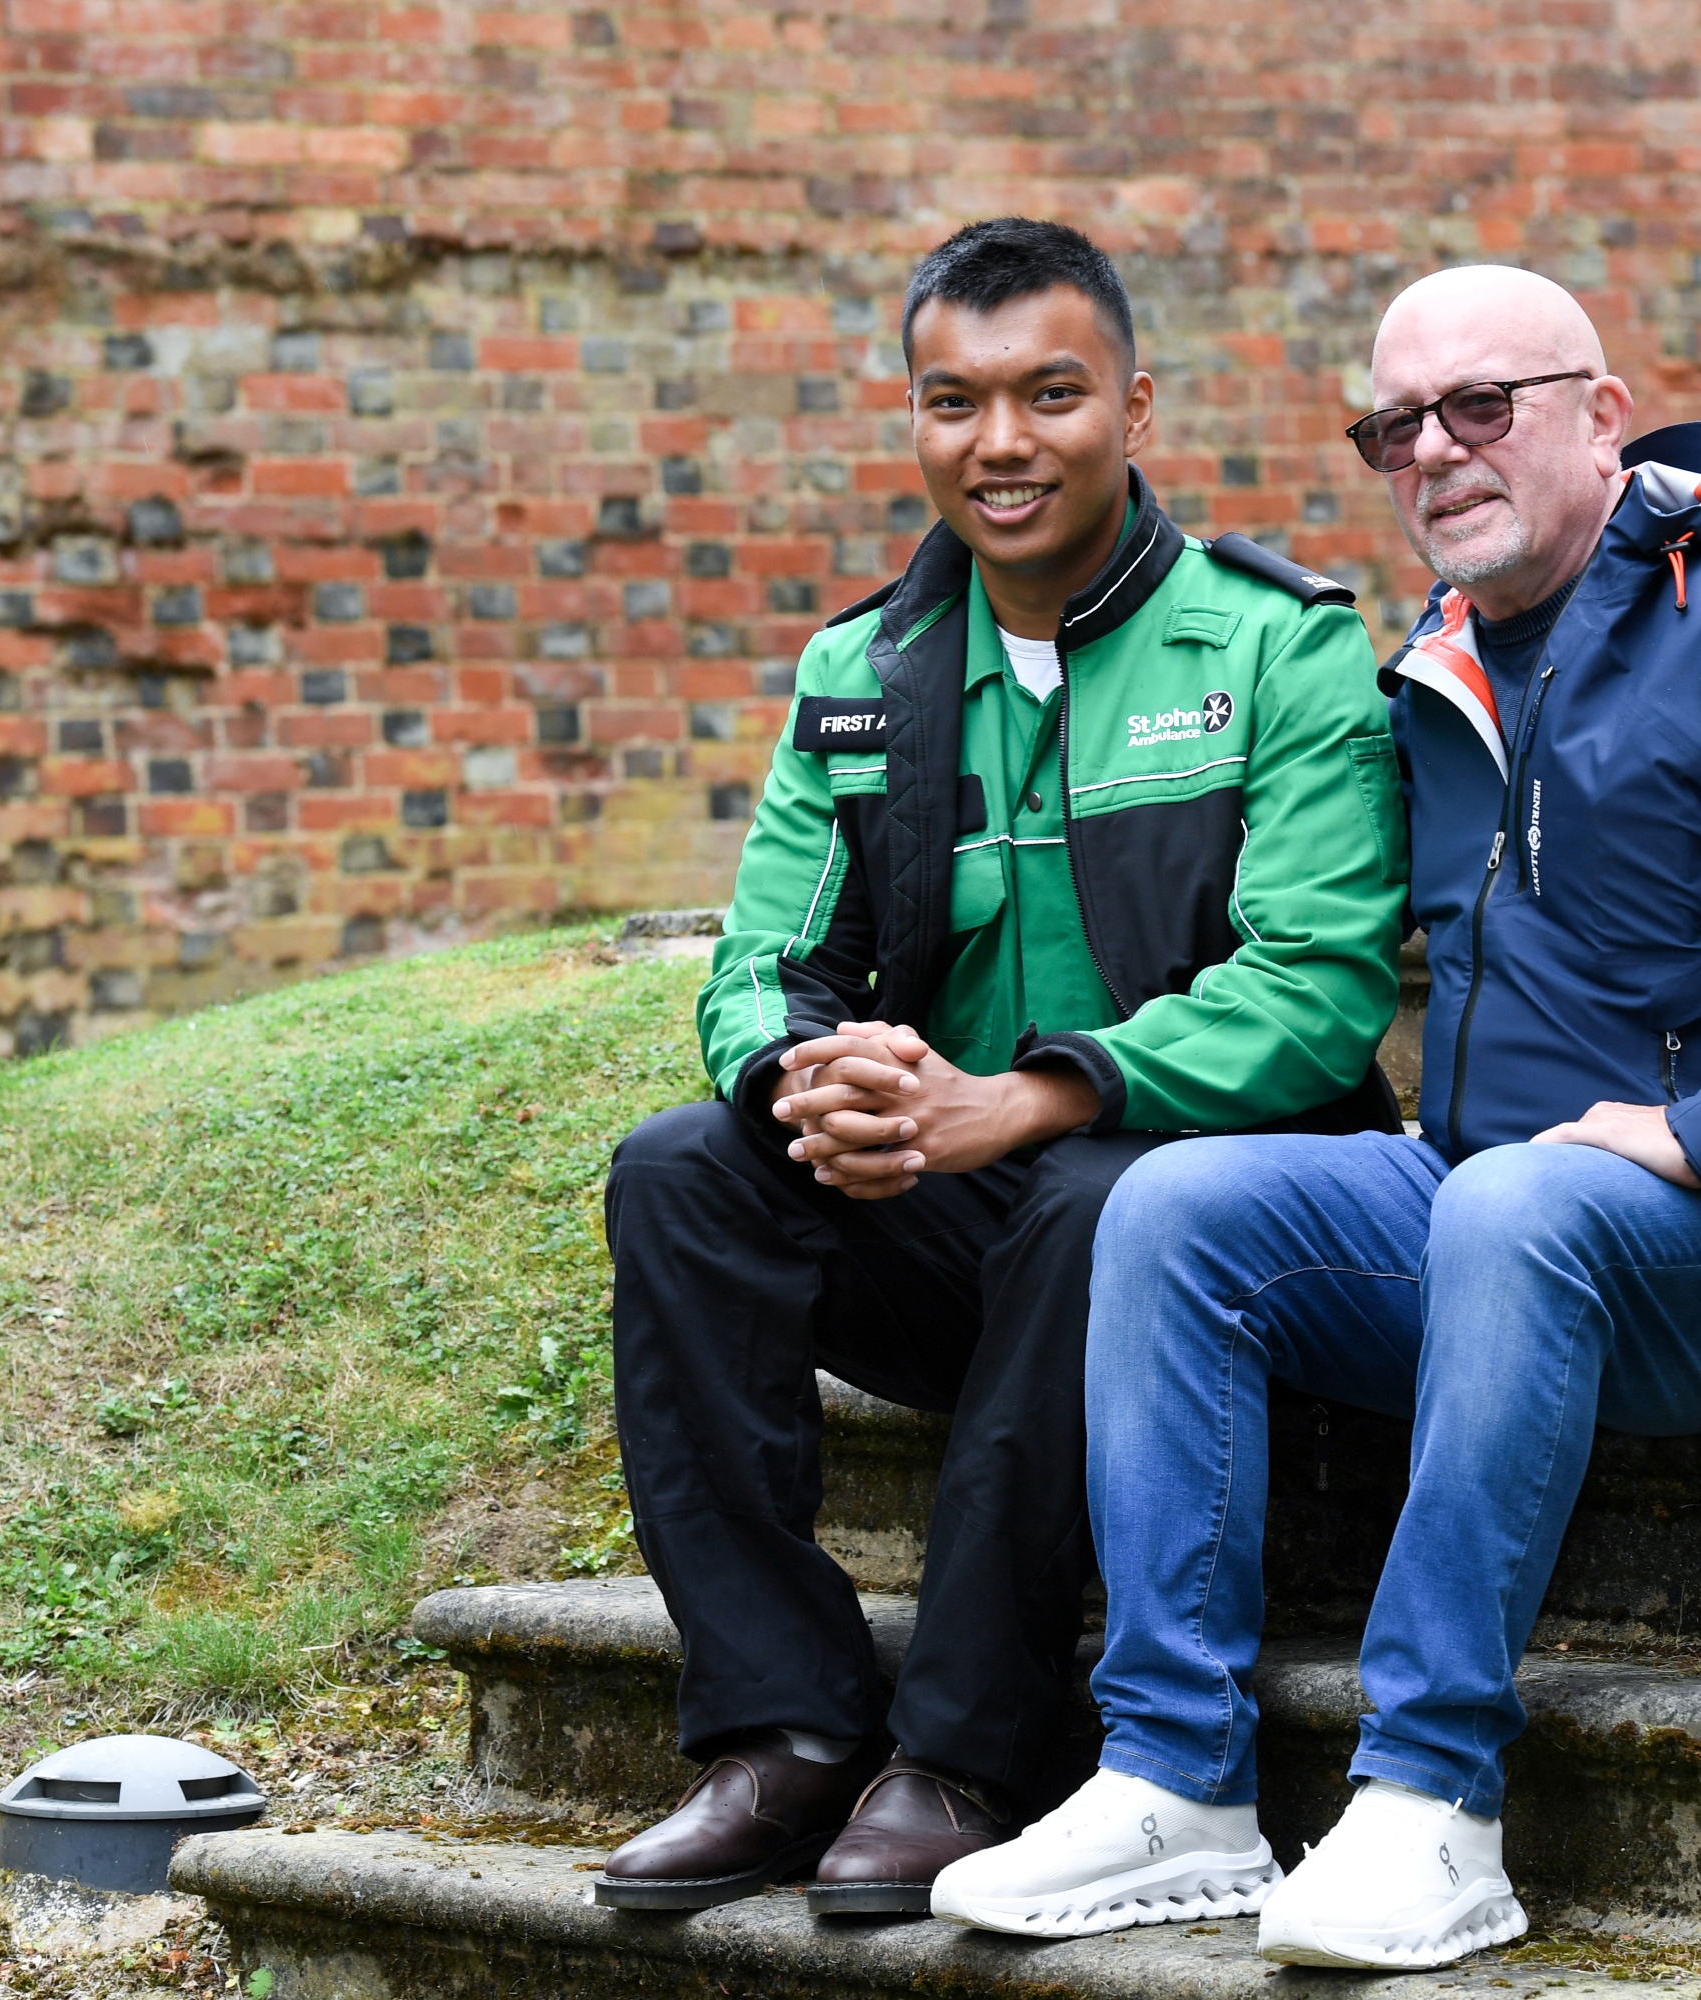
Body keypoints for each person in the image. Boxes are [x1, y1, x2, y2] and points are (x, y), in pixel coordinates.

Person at [932, 264, 1701, 1967]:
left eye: (1481, 408)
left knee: (1517, 1201)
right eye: (1396, 428)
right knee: (1173, 1207)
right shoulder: (1442, 670)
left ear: (1604, 417)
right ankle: (1175, 1781)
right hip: (1499, 1209)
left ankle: (1432, 1800)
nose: (1435, 450)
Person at [592, 217, 1410, 1918]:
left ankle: (967, 1756)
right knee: (680, 1172)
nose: (1001, 443)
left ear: (1136, 407)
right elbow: (766, 962)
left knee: (1097, 1199)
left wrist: (1030, 1097)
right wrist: (809, 1079)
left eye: (1051, 394)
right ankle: (783, 1736)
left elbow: (1320, 989)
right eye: (952, 402)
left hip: (1206, 1229)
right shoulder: (862, 674)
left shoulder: (1279, 645)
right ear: (915, 419)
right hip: (962, 1217)